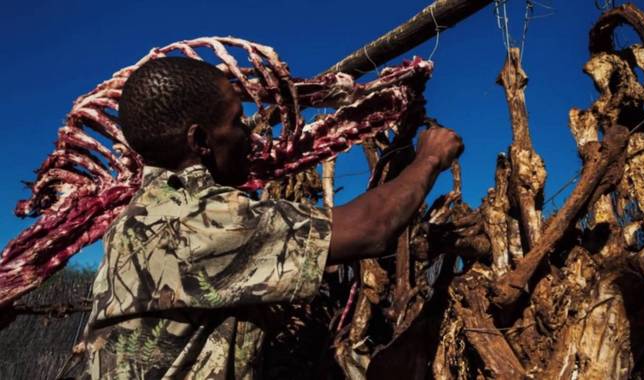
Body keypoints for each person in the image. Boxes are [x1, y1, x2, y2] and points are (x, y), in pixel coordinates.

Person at [81, 56, 463, 379]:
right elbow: (371, 229)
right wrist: (429, 158)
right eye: (235, 122)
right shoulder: (199, 220)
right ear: (200, 142)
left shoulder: (133, 221)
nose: (250, 134)